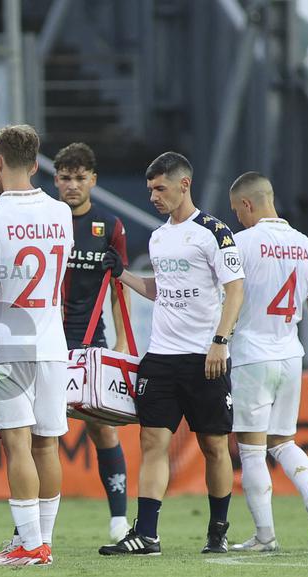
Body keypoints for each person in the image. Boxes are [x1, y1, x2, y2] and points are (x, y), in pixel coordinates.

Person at [99, 151, 244, 556]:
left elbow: (235, 289)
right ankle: (147, 533)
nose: (153, 197)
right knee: (151, 441)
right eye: (149, 190)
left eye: (160, 188)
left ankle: (218, 530)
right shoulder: (160, 237)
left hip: (204, 356)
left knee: (214, 446)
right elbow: (159, 289)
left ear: (184, 184)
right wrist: (122, 275)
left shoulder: (214, 232)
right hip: (160, 356)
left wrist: (220, 341)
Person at [0, 124, 73, 567]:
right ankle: (42, 541)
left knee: (19, 445)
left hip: (8, 345)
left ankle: (30, 545)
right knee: (48, 444)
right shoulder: (61, 213)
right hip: (50, 341)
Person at [227, 172, 308, 551]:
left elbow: (227, 298)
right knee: (284, 441)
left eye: (237, 209)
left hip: (252, 356)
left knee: (252, 449)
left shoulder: (241, 243)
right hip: (291, 356)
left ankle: (265, 536)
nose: (237, 217)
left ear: (248, 204)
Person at [52, 142, 131, 542]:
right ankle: (29, 526)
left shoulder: (110, 226)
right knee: (42, 434)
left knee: (103, 429)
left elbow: (120, 287)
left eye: (80, 178)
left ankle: (119, 520)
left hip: (91, 343)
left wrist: (120, 342)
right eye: (65, 177)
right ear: (55, 179)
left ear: (93, 180)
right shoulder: (47, 220)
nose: (72, 185)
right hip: (47, 342)